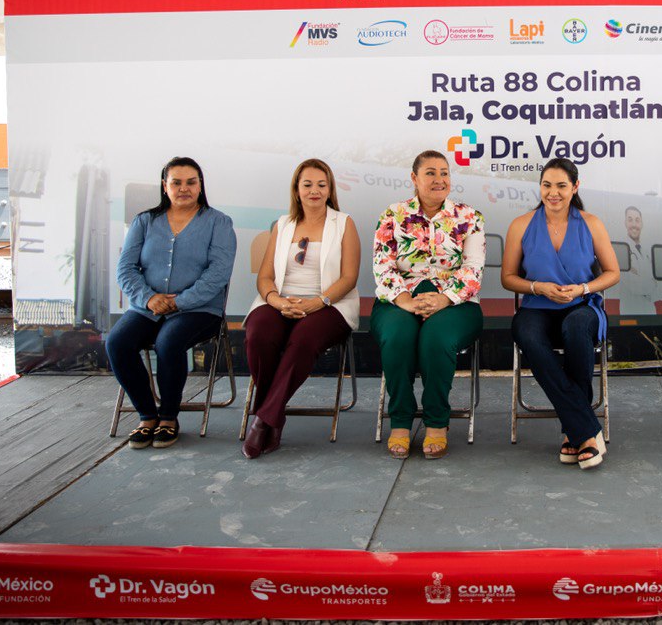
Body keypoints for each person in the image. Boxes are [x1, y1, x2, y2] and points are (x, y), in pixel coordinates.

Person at [108, 156, 236, 449]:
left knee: (168, 342)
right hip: (148, 308)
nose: (184, 188)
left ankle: (168, 417)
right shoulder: (144, 221)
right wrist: (149, 298)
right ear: (164, 186)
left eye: (191, 182)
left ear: (200, 185)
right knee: (117, 343)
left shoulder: (218, 222)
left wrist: (180, 302)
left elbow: (218, 273)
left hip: (199, 310)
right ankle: (147, 417)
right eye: (176, 182)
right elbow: (125, 269)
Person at [501, 158, 621, 469]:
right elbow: (508, 278)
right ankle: (585, 431)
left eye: (561, 186)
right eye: (547, 185)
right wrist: (538, 287)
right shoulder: (521, 225)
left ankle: (574, 432)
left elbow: (612, 272)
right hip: (536, 306)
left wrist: (582, 289)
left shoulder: (591, 223)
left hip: (582, 306)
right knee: (526, 333)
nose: (553, 192)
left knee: (577, 328)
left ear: (575, 187)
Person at [242, 159, 360, 459]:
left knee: (303, 339)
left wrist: (318, 302)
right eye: (307, 184)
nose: (314, 191)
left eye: (321, 184)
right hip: (281, 301)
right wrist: (278, 301)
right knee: (258, 333)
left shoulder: (343, 223)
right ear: (296, 189)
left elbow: (349, 278)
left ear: (330, 189)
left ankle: (263, 419)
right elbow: (265, 277)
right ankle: (273, 416)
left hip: (330, 304)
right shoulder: (283, 225)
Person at [371, 151, 485, 460]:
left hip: (456, 301)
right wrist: (406, 301)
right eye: (431, 173)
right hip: (400, 298)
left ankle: (437, 420)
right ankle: (400, 419)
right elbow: (383, 267)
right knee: (397, 336)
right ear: (414, 178)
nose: (439, 179)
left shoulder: (469, 217)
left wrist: (444, 299)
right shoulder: (393, 215)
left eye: (444, 173)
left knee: (437, 338)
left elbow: (473, 270)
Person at [620, 205, 657, 315]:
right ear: (625, 223)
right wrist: (650, 282)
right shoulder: (622, 250)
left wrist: (643, 279)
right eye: (630, 220)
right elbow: (634, 286)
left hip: (650, 309)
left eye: (637, 220)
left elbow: (659, 287)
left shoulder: (646, 250)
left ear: (642, 224)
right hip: (630, 310)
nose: (634, 225)